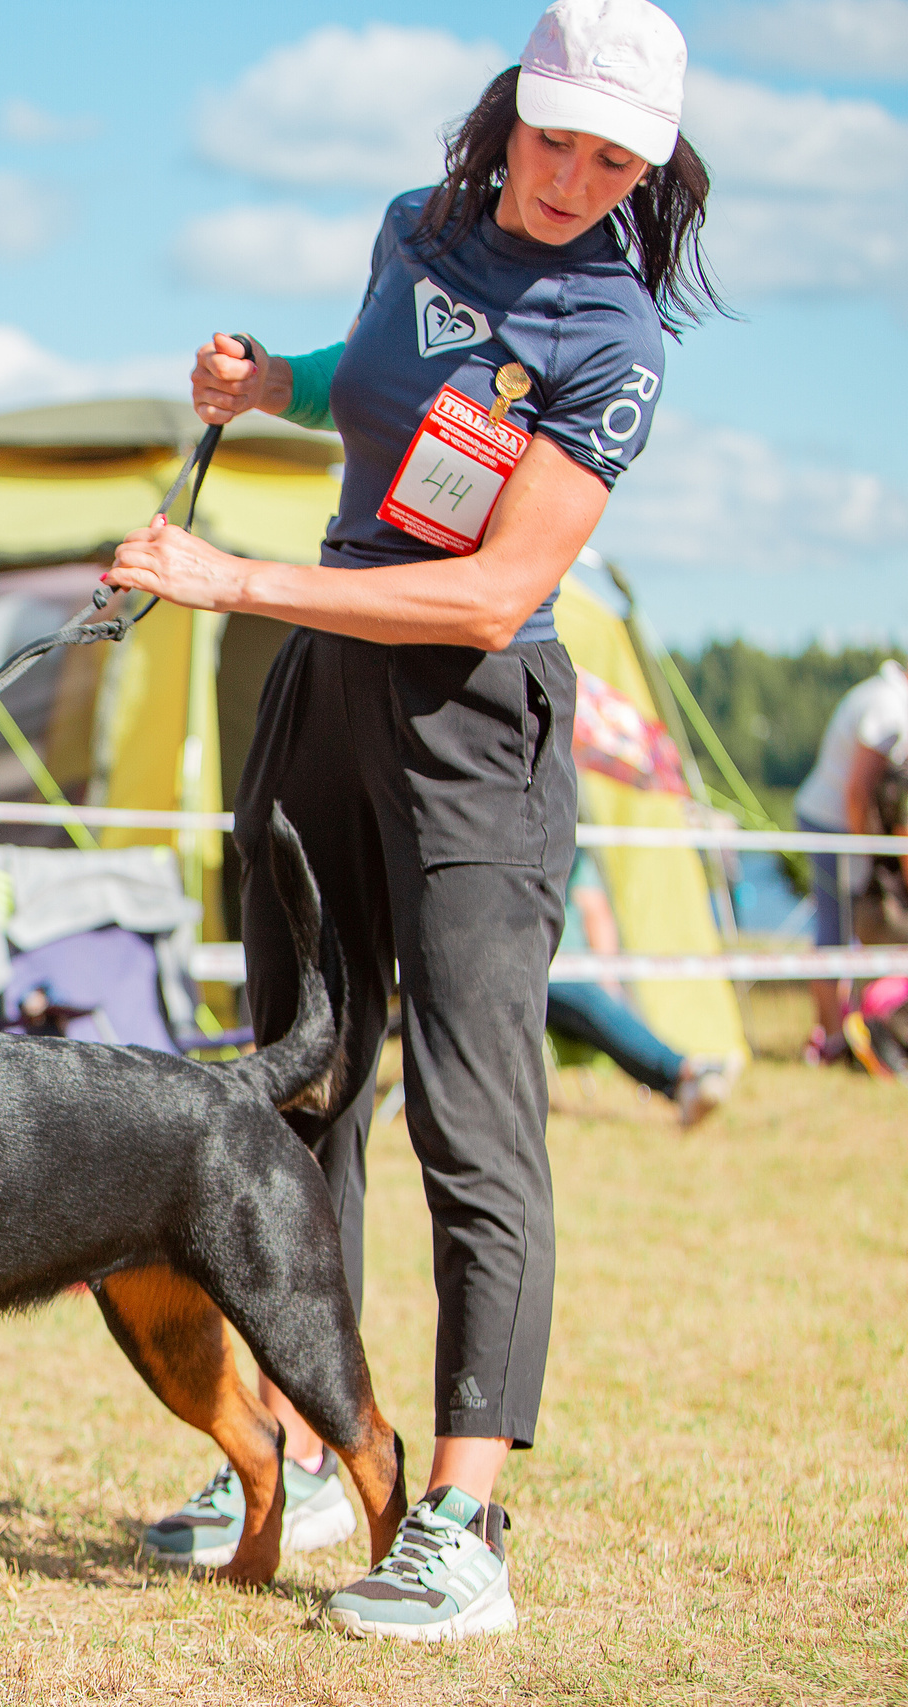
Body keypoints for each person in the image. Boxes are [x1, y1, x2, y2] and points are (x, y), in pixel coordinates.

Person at [105, 0, 721, 1641]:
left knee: (473, 1116)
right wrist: (270, 380)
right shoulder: (415, 225)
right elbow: (371, 386)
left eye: (616, 162)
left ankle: (464, 1522)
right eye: (556, 138)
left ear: (652, 169)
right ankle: (315, 1448)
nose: (575, 177)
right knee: (299, 1080)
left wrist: (236, 581)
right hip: (325, 688)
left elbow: (494, 590)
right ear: (510, 107)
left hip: (471, 722)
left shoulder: (615, 337)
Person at [543, 850, 735, 1124]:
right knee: (598, 1004)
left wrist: (607, 978)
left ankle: (684, 1074)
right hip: (550, 972)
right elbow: (595, 909)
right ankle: (686, 1073)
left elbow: (595, 910)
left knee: (601, 1004)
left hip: (565, 970)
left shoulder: (574, 855)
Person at [790, 658, 908, 1064]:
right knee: (834, 932)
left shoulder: (883, 695)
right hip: (833, 825)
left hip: (837, 823)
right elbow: (857, 792)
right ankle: (834, 1040)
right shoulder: (888, 708)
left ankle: (841, 1031)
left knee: (840, 931)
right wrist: (872, 850)